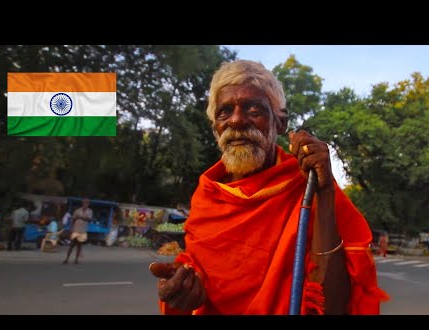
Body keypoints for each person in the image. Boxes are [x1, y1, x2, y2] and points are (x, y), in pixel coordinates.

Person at [149, 60, 389, 315]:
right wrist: (183, 290)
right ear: (215, 128)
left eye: (254, 109)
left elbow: (334, 308)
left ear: (281, 123)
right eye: (225, 111)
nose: (237, 120)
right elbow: (197, 276)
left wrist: (325, 193)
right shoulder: (207, 195)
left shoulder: (309, 185)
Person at [63, 198, 92, 264]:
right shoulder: (77, 211)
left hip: (83, 231)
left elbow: (89, 219)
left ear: (88, 204)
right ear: (82, 203)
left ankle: (76, 260)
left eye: (87, 203)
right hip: (75, 230)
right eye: (84, 202)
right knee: (71, 245)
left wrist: (80, 217)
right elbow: (73, 219)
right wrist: (70, 228)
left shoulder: (90, 211)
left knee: (79, 246)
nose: (86, 204)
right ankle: (66, 259)